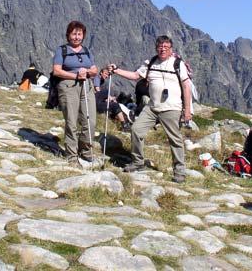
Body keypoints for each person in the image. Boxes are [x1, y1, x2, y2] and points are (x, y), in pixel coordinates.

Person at [108, 35, 192, 183]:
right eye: (160, 47)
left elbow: (186, 86)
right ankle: (138, 162)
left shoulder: (178, 64)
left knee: (175, 139)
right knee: (136, 130)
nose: (163, 49)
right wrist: (116, 70)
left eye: (166, 47)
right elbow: (135, 75)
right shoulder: (151, 62)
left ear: (171, 49)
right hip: (152, 107)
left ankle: (179, 171)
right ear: (156, 48)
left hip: (171, 108)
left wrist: (187, 110)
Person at [52, 21, 99, 166]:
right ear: (68, 35)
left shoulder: (86, 50)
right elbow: (57, 70)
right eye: (74, 34)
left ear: (83, 35)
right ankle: (72, 156)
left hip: (87, 86)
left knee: (90, 120)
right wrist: (76, 76)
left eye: (79, 34)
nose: (77, 37)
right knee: (71, 121)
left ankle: (85, 151)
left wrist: (89, 72)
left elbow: (94, 69)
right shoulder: (62, 50)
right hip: (68, 86)